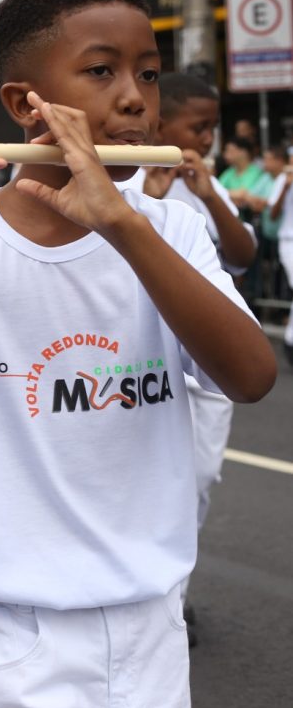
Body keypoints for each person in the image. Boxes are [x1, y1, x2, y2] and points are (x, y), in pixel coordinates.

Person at [0, 0, 275, 708]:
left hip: (154, 626)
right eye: (101, 71)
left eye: (147, 75)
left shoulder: (169, 227)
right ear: (25, 103)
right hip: (15, 639)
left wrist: (121, 224)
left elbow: (251, 376)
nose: (133, 98)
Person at [120, 72, 259, 646]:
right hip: (146, 351)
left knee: (198, 477)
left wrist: (207, 194)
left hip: (208, 356)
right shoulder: (134, 183)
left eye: (211, 128)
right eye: (196, 127)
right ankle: (155, 589)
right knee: (148, 471)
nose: (204, 138)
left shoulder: (205, 183)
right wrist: (151, 197)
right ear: (160, 123)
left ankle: (177, 584)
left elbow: (244, 254)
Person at [263, 145, 293, 364]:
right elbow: (273, 214)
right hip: (288, 240)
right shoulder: (283, 180)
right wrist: (286, 187)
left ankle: (290, 341)